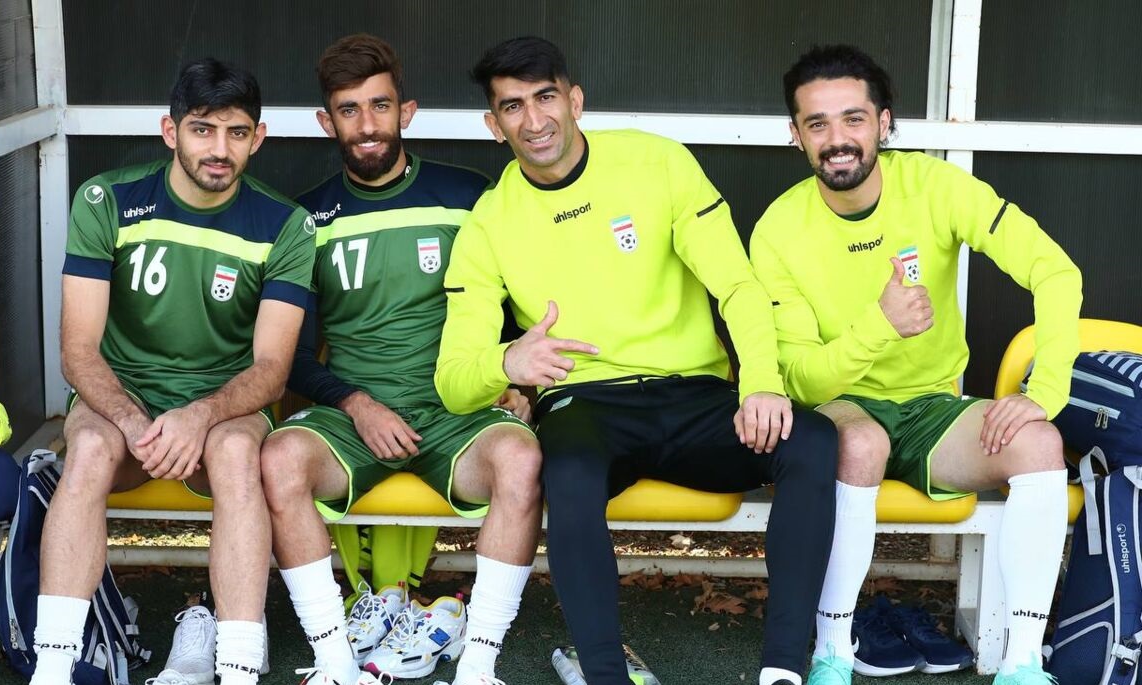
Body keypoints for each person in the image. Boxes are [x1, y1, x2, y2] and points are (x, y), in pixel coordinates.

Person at [436, 36, 839, 685]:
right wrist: (507, 361)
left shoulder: (657, 162)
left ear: (575, 100)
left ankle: (784, 669)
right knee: (564, 468)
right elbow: (454, 381)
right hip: (587, 404)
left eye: (545, 98)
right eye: (512, 106)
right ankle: (606, 676)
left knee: (811, 439)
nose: (534, 120)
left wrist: (762, 383)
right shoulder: (488, 224)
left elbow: (737, 285)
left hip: (694, 396)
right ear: (493, 123)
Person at [750, 44, 1081, 685]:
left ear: (884, 122)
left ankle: (1020, 665)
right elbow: (802, 380)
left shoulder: (936, 186)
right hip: (844, 408)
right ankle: (832, 652)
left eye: (853, 118)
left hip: (933, 408)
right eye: (817, 123)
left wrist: (1045, 390)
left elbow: (1055, 271)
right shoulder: (778, 229)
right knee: (861, 443)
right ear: (796, 134)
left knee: (1039, 443)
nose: (837, 139)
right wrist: (880, 327)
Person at [258, 34, 542, 685]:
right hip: (353, 419)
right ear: (327, 122)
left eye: (380, 106)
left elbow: (520, 305)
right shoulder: (306, 219)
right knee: (278, 459)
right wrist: (357, 404)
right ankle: (334, 663)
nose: (367, 124)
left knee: (521, 459)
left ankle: (478, 666)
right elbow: (292, 356)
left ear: (405, 112)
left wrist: (514, 380)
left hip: (456, 410)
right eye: (349, 110)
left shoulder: (468, 195)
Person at [37, 59, 314, 685]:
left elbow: (272, 369)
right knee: (87, 451)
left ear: (258, 138)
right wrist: (136, 423)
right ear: (171, 132)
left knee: (238, 455)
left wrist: (200, 415)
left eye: (236, 133)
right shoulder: (107, 200)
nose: (219, 149)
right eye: (202, 129)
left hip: (223, 403)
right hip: (125, 396)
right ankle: (53, 669)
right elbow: (78, 350)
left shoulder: (285, 224)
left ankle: (237, 668)